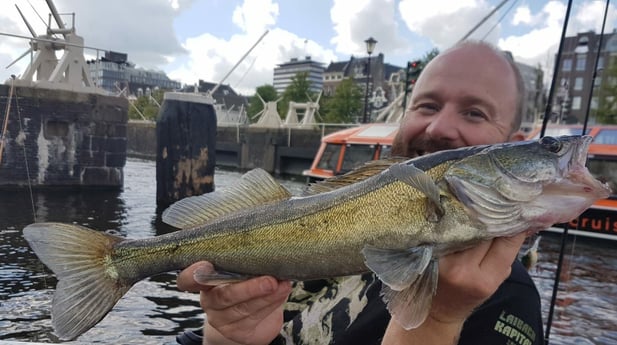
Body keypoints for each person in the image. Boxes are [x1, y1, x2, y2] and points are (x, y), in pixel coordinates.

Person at [175, 40, 544, 345]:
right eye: (428, 105)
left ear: (514, 147)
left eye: (475, 113)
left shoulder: (509, 300)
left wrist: (438, 321)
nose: (439, 127)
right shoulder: (337, 232)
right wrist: (230, 338)